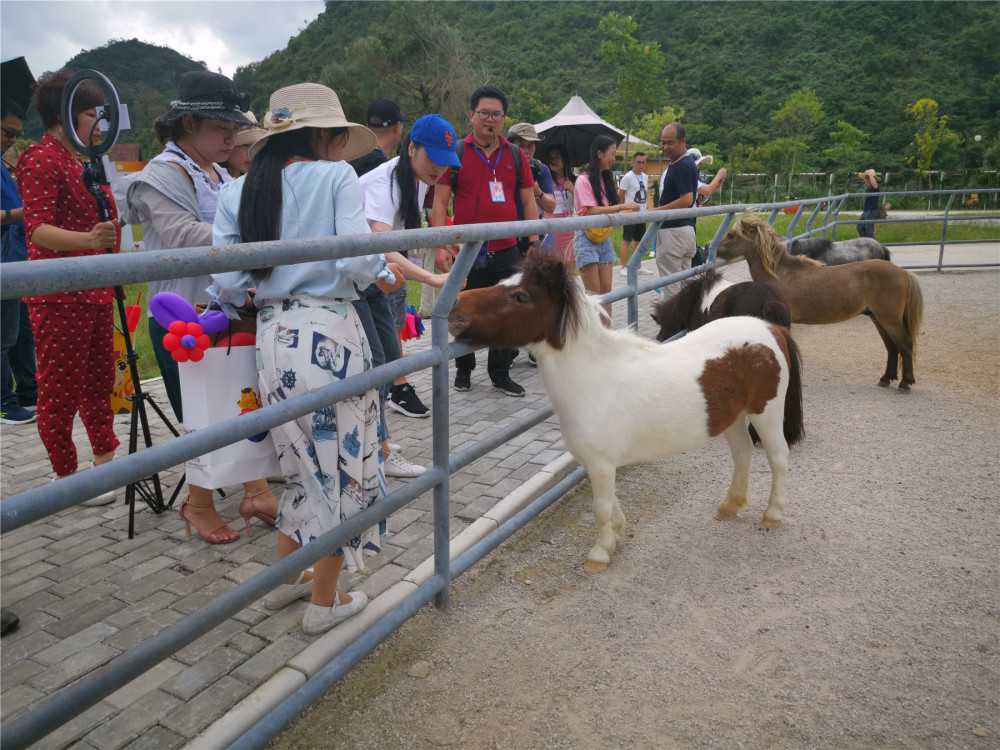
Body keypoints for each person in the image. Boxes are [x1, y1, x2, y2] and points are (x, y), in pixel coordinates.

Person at [210, 82, 401, 635]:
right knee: (337, 469)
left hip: (273, 336)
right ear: (322, 135)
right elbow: (357, 257)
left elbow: (227, 279)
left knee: (299, 464)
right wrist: (381, 271)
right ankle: (325, 602)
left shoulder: (237, 191)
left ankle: (286, 581)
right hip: (330, 333)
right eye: (339, 136)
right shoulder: (334, 177)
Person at [119, 71, 278, 544]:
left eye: (234, 127)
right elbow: (185, 236)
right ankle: (198, 503)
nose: (232, 136)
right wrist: (261, 240)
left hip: (224, 310)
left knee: (242, 405)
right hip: (181, 319)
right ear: (188, 123)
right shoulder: (159, 176)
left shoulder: (214, 170)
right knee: (202, 415)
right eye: (220, 127)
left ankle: (255, 489)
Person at [15, 69, 121, 505]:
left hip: (96, 289)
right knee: (59, 389)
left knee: (99, 384)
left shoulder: (85, 162)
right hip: (59, 293)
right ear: (66, 115)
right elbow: (37, 228)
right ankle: (67, 476)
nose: (99, 124)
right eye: (92, 114)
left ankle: (105, 465)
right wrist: (89, 242)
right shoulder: (40, 158)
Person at [358, 115, 465, 476]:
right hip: (352, 280)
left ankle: (375, 438)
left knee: (389, 359)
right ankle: (379, 449)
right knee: (374, 363)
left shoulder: (417, 179)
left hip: (376, 279)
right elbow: (383, 244)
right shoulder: (380, 183)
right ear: (411, 148)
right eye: (432, 157)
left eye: (444, 160)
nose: (438, 168)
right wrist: (434, 281)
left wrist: (440, 240)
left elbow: (404, 236)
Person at [432, 85, 540, 397]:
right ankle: (464, 369)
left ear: (504, 119)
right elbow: (440, 203)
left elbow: (528, 201)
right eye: (483, 113)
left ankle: (500, 373)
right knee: (462, 310)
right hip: (466, 253)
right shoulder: (458, 153)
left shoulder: (515, 154)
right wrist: (440, 244)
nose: (489, 119)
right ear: (472, 115)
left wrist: (533, 239)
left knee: (508, 311)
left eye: (496, 114)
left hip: (506, 250)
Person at [350, 97, 426, 421]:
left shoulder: (379, 165)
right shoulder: (379, 168)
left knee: (383, 351)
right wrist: (430, 277)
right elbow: (379, 236)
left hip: (381, 267)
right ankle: (397, 392)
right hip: (371, 271)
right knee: (377, 356)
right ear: (398, 129)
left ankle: (378, 438)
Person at [573, 135, 639, 323]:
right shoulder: (583, 180)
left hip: (604, 239)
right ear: (599, 154)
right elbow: (591, 211)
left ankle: (606, 337)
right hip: (586, 239)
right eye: (612, 154)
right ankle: (593, 340)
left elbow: (607, 212)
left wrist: (624, 212)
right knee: (593, 297)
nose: (614, 158)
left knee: (607, 294)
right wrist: (620, 207)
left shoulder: (605, 179)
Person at [1, 97, 38, 425]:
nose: (13, 140)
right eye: (8, 133)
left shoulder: (4, 164)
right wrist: (26, 211)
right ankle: (3, 401)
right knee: (3, 336)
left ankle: (29, 389)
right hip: (4, 265)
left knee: (23, 332)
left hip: (17, 260)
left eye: (17, 135)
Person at [655, 122, 699, 281]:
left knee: (671, 286)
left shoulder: (682, 164)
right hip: (684, 231)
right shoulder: (682, 162)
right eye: (662, 142)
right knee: (683, 286)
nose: (665, 146)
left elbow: (687, 199)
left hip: (674, 232)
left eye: (670, 143)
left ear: (683, 141)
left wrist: (656, 212)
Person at [507, 122, 555, 258]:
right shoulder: (501, 168)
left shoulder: (541, 169)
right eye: (520, 145)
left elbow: (551, 206)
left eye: (530, 146)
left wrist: (536, 190)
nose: (526, 150)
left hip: (532, 236)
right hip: (506, 235)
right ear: (510, 145)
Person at [350, 98, 409, 178]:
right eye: (401, 124)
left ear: (368, 126)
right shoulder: (379, 165)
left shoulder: (354, 155)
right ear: (396, 127)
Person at [617, 151, 651, 276]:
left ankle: (638, 265)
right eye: (639, 162)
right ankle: (624, 267)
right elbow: (620, 195)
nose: (641, 165)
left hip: (641, 214)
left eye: (643, 162)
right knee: (627, 240)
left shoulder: (645, 177)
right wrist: (621, 210)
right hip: (629, 214)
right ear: (633, 162)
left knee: (639, 241)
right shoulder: (627, 177)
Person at [543, 143, 575, 264]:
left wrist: (572, 190)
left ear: (565, 159)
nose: (553, 160)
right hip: (551, 230)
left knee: (569, 271)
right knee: (553, 270)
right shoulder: (545, 182)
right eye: (551, 157)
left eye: (557, 157)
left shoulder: (575, 181)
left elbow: (583, 206)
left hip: (570, 230)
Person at [221, 113, 266, 178]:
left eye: (255, 146)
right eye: (245, 145)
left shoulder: (256, 182)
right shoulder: (208, 182)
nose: (252, 153)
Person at [857, 168, 881, 239]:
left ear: (873, 178)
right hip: (866, 210)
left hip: (871, 210)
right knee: (859, 226)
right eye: (866, 177)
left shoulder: (876, 186)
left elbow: (874, 185)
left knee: (869, 228)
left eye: (868, 177)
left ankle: (871, 244)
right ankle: (866, 241)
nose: (866, 179)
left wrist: (870, 175)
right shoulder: (869, 187)